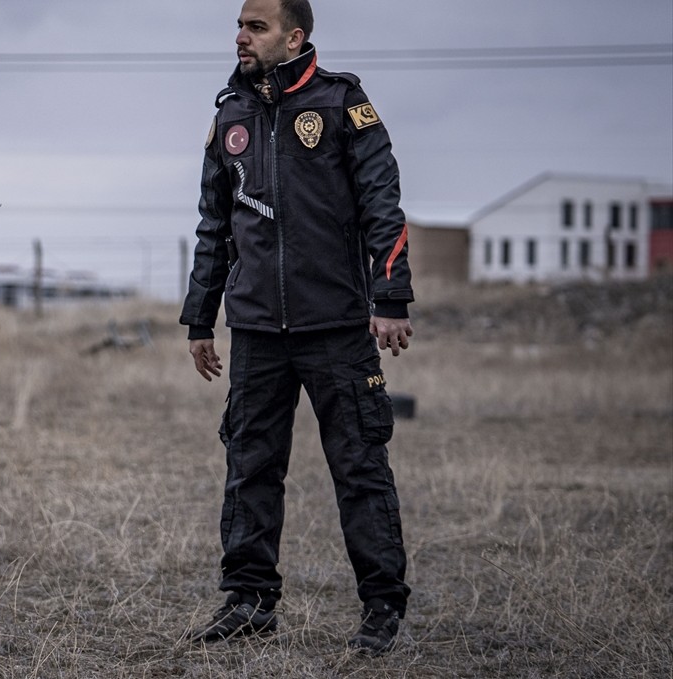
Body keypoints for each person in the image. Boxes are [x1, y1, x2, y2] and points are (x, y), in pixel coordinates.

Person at [179, 0, 413, 655]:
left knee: (359, 467)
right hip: (256, 331)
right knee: (249, 468)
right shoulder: (230, 115)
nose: (241, 36)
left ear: (295, 35)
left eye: (256, 26)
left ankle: (382, 608)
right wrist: (202, 317)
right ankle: (249, 601)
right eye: (240, 25)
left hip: (336, 326)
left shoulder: (343, 105)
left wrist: (390, 296)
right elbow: (213, 228)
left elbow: (383, 207)